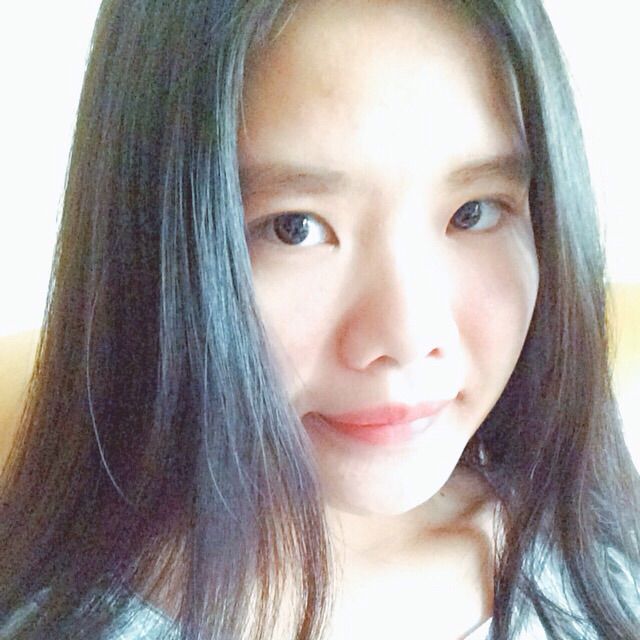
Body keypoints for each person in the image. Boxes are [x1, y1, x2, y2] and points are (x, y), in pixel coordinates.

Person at [1, 0, 639, 638]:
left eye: (473, 212)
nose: (406, 338)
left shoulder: (600, 561)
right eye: (295, 228)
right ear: (145, 244)